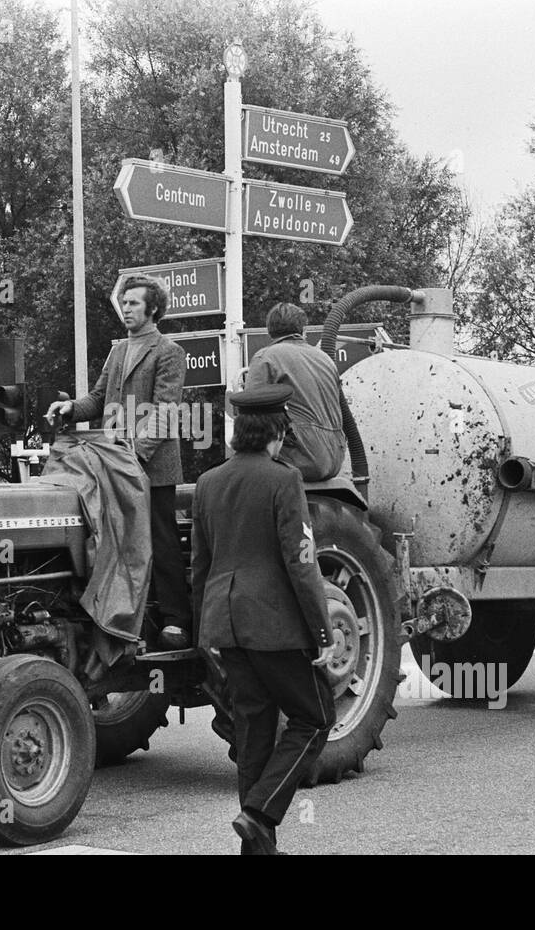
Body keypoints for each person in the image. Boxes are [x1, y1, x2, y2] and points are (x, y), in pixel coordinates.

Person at [190, 385, 338, 855]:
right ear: (276, 432)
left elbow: (200, 563)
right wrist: (322, 630)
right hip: (273, 625)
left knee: (254, 729)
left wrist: (203, 632)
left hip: (226, 625)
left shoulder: (209, 481)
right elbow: (301, 559)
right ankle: (259, 812)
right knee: (315, 718)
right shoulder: (283, 479)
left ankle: (257, 850)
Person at [46, 274, 192, 648]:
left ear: (153, 309)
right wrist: (70, 408)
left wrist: (136, 453)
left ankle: (176, 620)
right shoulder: (117, 351)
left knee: (160, 541)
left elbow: (165, 411)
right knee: (119, 542)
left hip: (151, 467)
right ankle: (134, 619)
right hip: (114, 463)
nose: (125, 309)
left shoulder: (168, 351)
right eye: (124, 303)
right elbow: (97, 399)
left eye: (133, 303)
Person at [244, 302, 346, 482]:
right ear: (302, 329)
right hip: (336, 458)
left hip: (303, 456)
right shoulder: (324, 358)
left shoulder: (266, 357)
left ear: (269, 330)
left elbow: (250, 412)